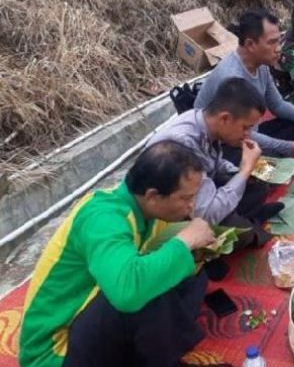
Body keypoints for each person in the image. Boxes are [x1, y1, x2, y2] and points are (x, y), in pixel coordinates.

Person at [20, 141, 218, 366]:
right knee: (144, 288)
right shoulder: (103, 217)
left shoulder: (144, 208)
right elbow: (127, 291)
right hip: (55, 351)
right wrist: (184, 241)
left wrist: (194, 245)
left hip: (87, 325)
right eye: (186, 198)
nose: (192, 206)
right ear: (153, 196)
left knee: (186, 269)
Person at [148, 77, 279, 245]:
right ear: (224, 119)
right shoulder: (182, 145)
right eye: (245, 127)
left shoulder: (204, 122)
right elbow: (206, 215)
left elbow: (215, 164)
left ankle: (246, 217)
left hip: (198, 192)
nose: (248, 134)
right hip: (174, 210)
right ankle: (249, 226)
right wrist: (245, 170)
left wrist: (242, 171)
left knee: (257, 181)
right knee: (240, 231)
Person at [194, 9, 294, 158]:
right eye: (272, 42)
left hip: (248, 130)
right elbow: (242, 135)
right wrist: (290, 147)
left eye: (279, 40)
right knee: (248, 163)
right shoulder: (232, 78)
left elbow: (277, 105)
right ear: (250, 44)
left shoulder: (261, 65)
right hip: (223, 144)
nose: (279, 48)